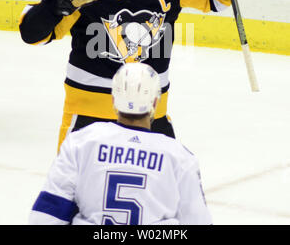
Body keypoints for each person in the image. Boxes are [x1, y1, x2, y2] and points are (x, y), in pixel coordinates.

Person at [19, 0, 243, 151]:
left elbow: (221, 0)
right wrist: (56, 4)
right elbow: (31, 34)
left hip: (151, 120)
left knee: (165, 187)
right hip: (89, 120)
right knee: (75, 189)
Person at [29, 62, 212, 225]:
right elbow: (198, 220)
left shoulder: (80, 143)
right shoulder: (179, 157)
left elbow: (45, 215)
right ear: (155, 102)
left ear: (113, 100)